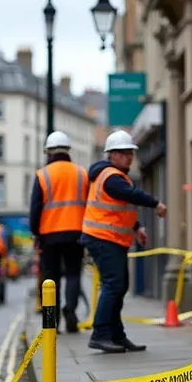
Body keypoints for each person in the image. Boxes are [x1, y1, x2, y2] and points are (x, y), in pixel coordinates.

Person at [80, 130, 166, 353]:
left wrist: (137, 227)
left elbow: (121, 209)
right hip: (103, 239)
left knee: (119, 287)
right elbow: (132, 195)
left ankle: (117, 336)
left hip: (111, 239)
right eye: (124, 153)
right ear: (112, 155)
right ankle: (100, 334)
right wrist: (156, 203)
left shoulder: (116, 177)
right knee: (114, 285)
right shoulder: (111, 177)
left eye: (130, 152)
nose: (129, 157)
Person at [29, 130, 89, 333]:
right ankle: (70, 309)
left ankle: (50, 321)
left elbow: (35, 208)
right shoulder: (81, 173)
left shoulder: (43, 174)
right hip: (76, 232)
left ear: (49, 152)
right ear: (68, 151)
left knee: (50, 278)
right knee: (73, 274)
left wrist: (36, 233)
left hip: (49, 235)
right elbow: (89, 204)